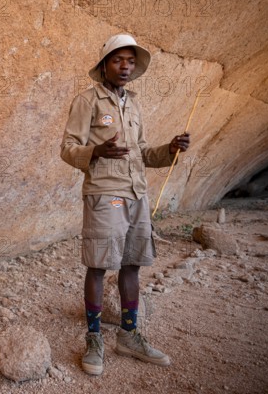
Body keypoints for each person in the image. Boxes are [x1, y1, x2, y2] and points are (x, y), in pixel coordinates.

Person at [60, 34, 190, 376]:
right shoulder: (88, 101)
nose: (126, 66)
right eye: (118, 60)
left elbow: (144, 153)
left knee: (132, 263)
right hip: (105, 194)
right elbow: (68, 147)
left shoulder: (133, 105)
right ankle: (94, 338)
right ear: (104, 65)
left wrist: (171, 148)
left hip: (136, 194)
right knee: (99, 264)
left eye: (131, 61)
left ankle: (129, 335)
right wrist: (95, 151)